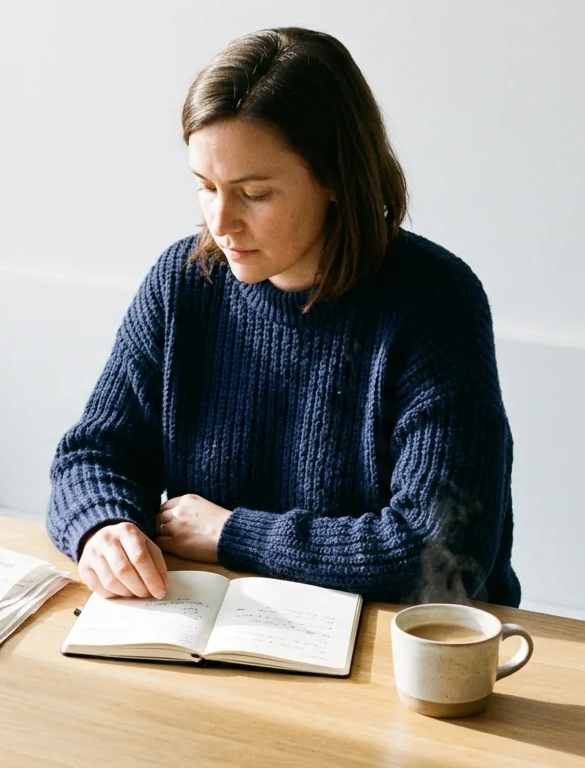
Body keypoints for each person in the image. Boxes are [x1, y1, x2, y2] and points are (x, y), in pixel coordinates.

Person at [45, 27, 520, 607]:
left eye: (255, 193)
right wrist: (103, 526)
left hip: (404, 645)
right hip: (221, 625)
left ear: (334, 181)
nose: (222, 222)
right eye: (205, 187)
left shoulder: (435, 301)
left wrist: (230, 532)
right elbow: (94, 454)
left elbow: (436, 550)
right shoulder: (183, 282)